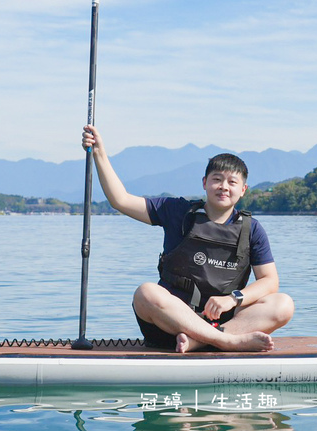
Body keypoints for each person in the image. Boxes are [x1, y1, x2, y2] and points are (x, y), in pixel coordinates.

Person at [82, 125, 294, 353]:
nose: (223, 187)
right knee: (145, 293)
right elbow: (121, 200)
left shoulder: (252, 230)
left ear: (243, 189)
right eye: (217, 179)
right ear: (204, 183)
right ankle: (226, 342)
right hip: (171, 326)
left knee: (283, 304)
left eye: (232, 182)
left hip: (223, 322)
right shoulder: (177, 211)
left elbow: (270, 281)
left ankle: (201, 341)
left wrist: (233, 299)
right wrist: (99, 153)